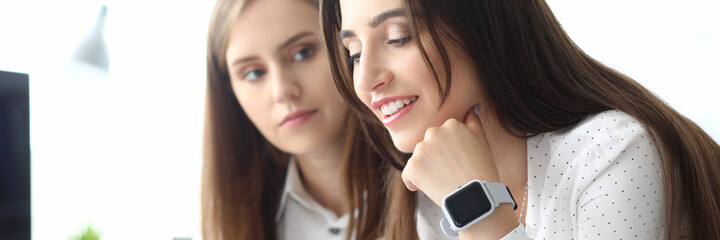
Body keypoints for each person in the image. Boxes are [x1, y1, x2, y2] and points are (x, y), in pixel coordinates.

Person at [320, 0, 720, 239]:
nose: (366, 79)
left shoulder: (614, 153)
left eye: (397, 38)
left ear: (483, 27)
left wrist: (477, 207)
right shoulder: (427, 193)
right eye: (354, 53)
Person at [202, 0, 387, 239]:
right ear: (230, 91)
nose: (282, 91)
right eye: (254, 73)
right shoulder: (238, 225)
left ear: (346, 46)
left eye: (302, 53)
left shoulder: (433, 187)